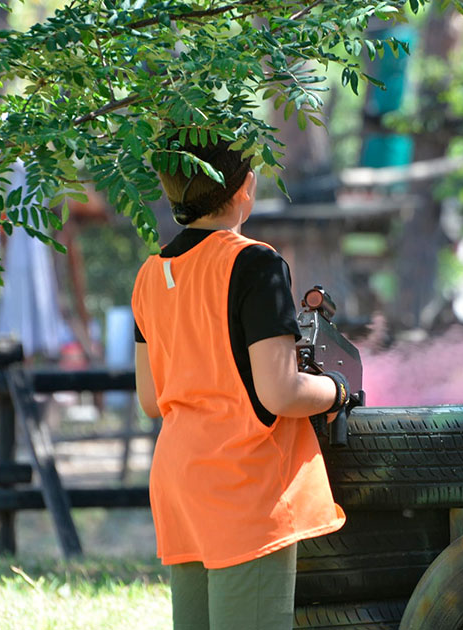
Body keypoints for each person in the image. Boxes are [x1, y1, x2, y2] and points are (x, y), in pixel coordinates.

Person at [131, 136, 349, 630]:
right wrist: (337, 389)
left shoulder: (149, 275)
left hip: (181, 485)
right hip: (243, 487)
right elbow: (281, 392)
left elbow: (151, 399)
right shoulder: (255, 264)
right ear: (246, 187)